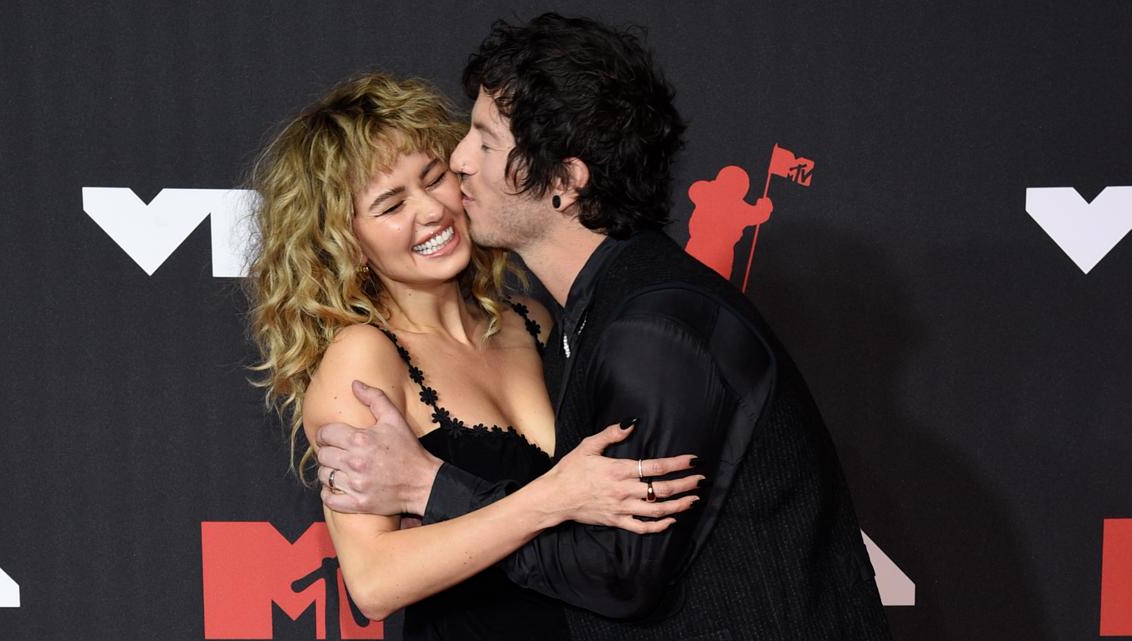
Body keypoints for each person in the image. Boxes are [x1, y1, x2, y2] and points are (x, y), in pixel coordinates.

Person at [315, 13, 893, 641]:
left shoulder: (640, 328)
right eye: (390, 204)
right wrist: (537, 497)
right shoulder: (588, 318)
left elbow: (621, 569)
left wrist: (435, 487)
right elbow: (377, 580)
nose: (457, 164)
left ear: (564, 182)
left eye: (483, 143)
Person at [246, 72, 700, 640]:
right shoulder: (362, 359)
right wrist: (552, 499)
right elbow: (374, 582)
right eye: (391, 205)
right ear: (346, 242)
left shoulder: (531, 319)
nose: (431, 210)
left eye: (434, 178)